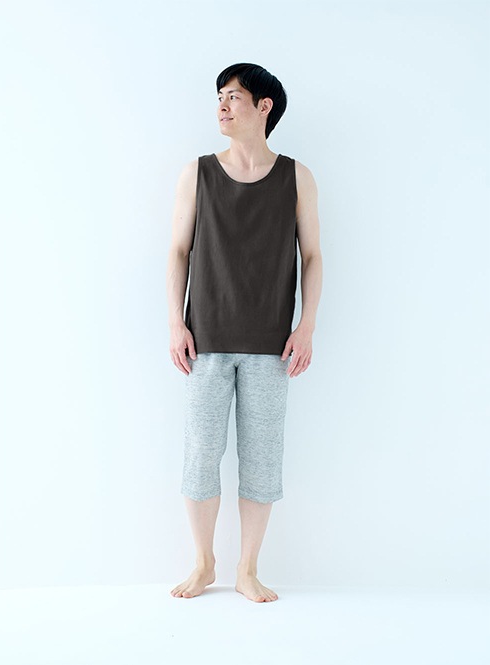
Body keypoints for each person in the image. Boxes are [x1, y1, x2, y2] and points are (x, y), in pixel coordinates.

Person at [166, 63, 322, 603]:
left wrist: (306, 325)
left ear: (264, 106)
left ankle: (247, 569)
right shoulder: (197, 173)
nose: (222, 106)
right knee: (200, 456)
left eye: (233, 96)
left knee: (261, 460)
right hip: (205, 339)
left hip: (272, 344)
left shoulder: (298, 177)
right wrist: (175, 321)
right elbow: (178, 250)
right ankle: (204, 562)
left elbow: (313, 256)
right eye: (219, 97)